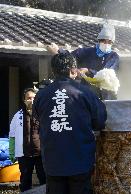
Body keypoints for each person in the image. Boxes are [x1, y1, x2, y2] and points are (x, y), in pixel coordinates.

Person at [33, 52, 107, 194]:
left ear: (53, 71)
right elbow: (100, 121)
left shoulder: (41, 95)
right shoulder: (85, 92)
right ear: (73, 70)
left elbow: (37, 119)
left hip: (53, 162)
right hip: (81, 161)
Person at [47, 24, 119, 100]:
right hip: (86, 94)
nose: (106, 44)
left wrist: (88, 71)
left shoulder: (113, 56)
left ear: (112, 43)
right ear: (99, 40)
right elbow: (70, 57)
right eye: (104, 41)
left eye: (109, 42)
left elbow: (106, 74)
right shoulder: (88, 51)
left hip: (106, 96)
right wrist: (58, 51)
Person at [9, 88, 46, 192]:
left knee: (44, 180)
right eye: (29, 98)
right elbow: (12, 135)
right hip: (24, 154)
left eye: (34, 98)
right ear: (24, 100)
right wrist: (12, 151)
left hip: (41, 153)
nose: (32, 100)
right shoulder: (17, 116)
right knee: (25, 181)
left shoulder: (43, 114)